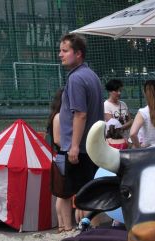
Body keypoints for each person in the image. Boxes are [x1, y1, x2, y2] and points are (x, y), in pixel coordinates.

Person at [58, 33, 104, 206]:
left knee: (83, 198)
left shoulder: (76, 78)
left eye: (65, 50)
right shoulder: (91, 74)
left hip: (80, 151)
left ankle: (86, 232)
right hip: (91, 148)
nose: (60, 54)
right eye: (60, 50)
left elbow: (80, 114)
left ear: (78, 54)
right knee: (93, 195)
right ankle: (93, 230)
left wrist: (74, 146)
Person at [46, 87, 74, 233]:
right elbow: (57, 139)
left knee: (62, 193)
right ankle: (66, 226)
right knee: (64, 194)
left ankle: (62, 225)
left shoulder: (59, 115)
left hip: (61, 155)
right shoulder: (58, 117)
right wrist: (72, 148)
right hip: (63, 155)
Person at [102, 79, 131, 146]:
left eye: (120, 90)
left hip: (125, 140)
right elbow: (112, 127)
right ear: (110, 91)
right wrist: (124, 126)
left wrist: (120, 127)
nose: (119, 93)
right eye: (116, 91)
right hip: (114, 142)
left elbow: (130, 121)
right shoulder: (106, 105)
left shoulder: (123, 104)